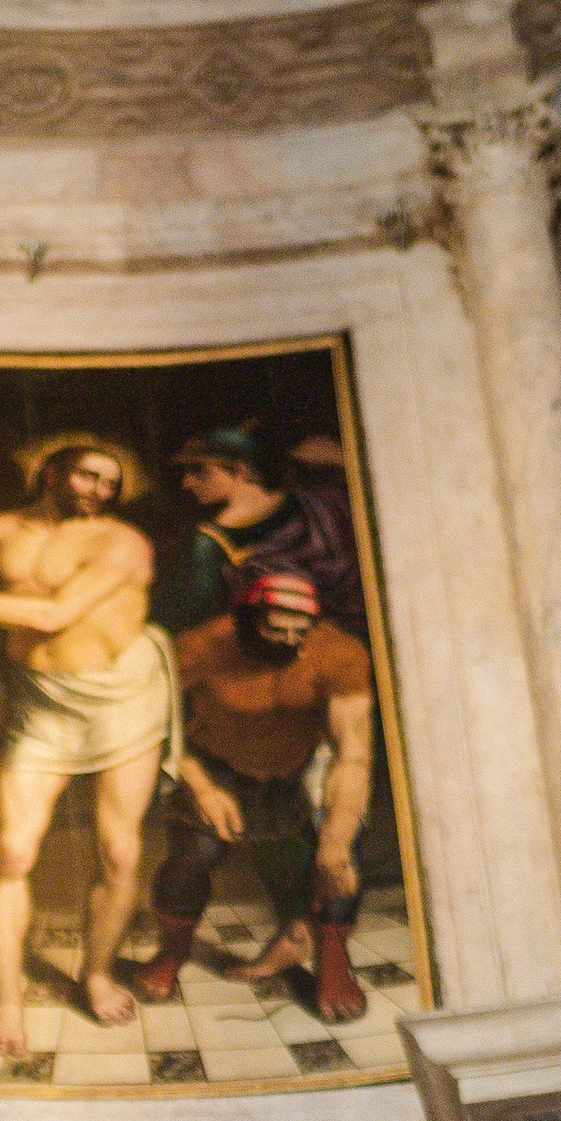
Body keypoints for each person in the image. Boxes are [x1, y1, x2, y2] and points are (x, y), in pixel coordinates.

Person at [134, 427, 378, 1028]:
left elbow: (353, 754)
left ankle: (332, 957)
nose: (292, 645)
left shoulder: (337, 653)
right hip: (217, 760)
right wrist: (199, 783)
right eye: (277, 631)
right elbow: (158, 723)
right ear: (245, 618)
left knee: (332, 860)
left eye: (302, 632)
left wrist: (338, 840)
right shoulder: (200, 647)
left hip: (301, 761)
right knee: (188, 859)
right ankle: (171, 953)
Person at [0, 438, 178, 1052]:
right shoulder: (0, 528)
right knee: (11, 850)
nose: (98, 491)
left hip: (121, 700)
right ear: (53, 470)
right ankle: (7, 999)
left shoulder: (122, 542)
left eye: (109, 483)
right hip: (41, 703)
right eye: (88, 475)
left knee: (120, 851)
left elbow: (53, 616)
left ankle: (97, 971)